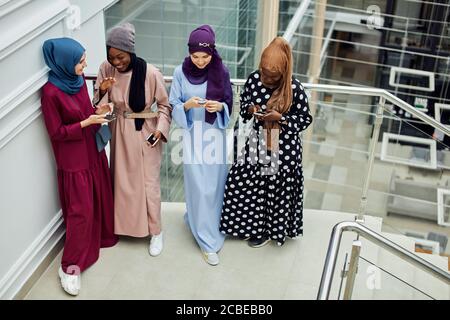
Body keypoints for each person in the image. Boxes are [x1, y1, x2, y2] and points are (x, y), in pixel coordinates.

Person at [41, 38, 118, 296]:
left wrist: (100, 108)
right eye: (80, 61)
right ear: (63, 62)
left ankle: (101, 239)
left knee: (100, 196)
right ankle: (69, 267)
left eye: (84, 59)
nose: (85, 65)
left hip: (92, 151)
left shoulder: (77, 81)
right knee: (80, 211)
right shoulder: (51, 93)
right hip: (74, 160)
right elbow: (57, 132)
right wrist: (88, 122)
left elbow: (86, 111)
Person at [220, 37, 313, 247]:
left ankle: (266, 231)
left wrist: (280, 118)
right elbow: (244, 104)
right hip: (258, 140)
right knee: (243, 180)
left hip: (284, 146)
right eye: (264, 73)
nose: (266, 79)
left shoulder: (294, 89)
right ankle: (246, 225)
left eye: (272, 77)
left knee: (273, 188)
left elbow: (305, 119)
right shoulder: (254, 79)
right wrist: (253, 109)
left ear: (283, 72)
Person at [93, 23, 172, 256]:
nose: (116, 62)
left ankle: (156, 232)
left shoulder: (151, 73)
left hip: (146, 132)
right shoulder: (105, 69)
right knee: (122, 181)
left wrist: (160, 130)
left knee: (148, 183)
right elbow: (98, 104)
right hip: (119, 129)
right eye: (112, 57)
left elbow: (165, 106)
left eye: (121, 57)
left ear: (130, 50)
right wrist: (102, 90)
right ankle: (123, 226)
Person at [169, 25, 233, 266]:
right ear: (189, 53)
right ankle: (207, 241)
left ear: (212, 53)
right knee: (199, 187)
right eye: (195, 56)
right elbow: (173, 102)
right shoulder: (179, 72)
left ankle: (206, 221)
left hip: (214, 135)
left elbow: (228, 104)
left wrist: (220, 108)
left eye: (205, 56)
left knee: (214, 187)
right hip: (192, 135)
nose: (200, 61)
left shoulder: (222, 71)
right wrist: (187, 106)